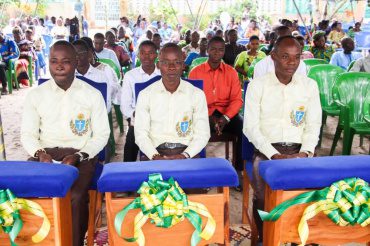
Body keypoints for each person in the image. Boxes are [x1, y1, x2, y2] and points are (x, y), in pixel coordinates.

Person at [21, 40, 110, 246]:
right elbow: (27, 134)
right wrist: (40, 154)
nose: (59, 66)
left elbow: (101, 135)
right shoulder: (35, 95)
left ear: (76, 61)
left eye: (66, 61)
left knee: (75, 195)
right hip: (44, 156)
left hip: (80, 156)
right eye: (54, 61)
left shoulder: (92, 95)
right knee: (27, 191)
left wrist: (79, 155)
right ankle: (41, 240)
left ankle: (73, 242)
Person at [243, 36, 321, 243]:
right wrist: (273, 154)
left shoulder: (309, 86)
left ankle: (299, 237)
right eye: (285, 57)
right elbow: (251, 127)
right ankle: (264, 236)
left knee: (310, 196)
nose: (291, 63)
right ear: (273, 57)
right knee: (262, 198)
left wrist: (305, 152)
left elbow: (313, 125)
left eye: (296, 58)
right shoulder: (257, 86)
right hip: (267, 152)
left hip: (301, 152)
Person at [135, 43, 210, 160]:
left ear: (183, 65)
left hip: (187, 153)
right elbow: (141, 134)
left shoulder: (196, 94)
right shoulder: (145, 94)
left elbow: (203, 134)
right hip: (155, 153)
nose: (171, 67)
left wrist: (184, 155)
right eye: (165, 63)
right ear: (158, 65)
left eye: (177, 62)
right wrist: (154, 156)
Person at [189, 36, 244, 189]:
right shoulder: (195, 72)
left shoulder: (231, 72)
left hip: (227, 114)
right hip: (204, 113)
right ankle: (201, 173)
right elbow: (192, 100)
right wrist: (208, 116)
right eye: (213, 49)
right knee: (197, 130)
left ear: (224, 51)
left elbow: (237, 100)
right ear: (207, 50)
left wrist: (226, 117)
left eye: (220, 50)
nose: (216, 53)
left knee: (243, 128)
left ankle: (238, 171)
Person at [121, 40, 161, 161]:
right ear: (138, 55)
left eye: (150, 53)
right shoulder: (130, 76)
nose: (146, 56)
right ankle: (128, 174)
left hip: (161, 120)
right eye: (143, 53)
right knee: (130, 147)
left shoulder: (163, 73)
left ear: (156, 55)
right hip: (138, 120)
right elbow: (125, 105)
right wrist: (136, 116)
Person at [0, 30, 19, 95]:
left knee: (0, 65)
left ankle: (4, 87)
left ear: (2, 34)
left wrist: (6, 58)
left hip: (10, 62)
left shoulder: (10, 41)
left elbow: (15, 54)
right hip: (2, 62)